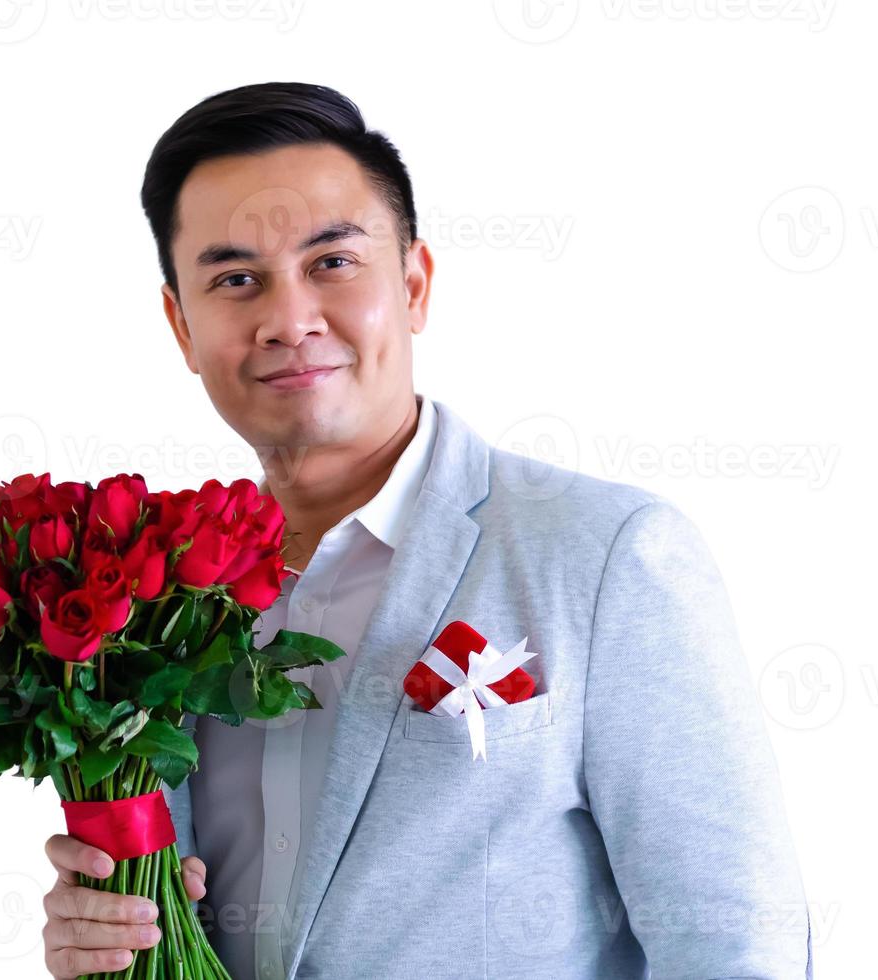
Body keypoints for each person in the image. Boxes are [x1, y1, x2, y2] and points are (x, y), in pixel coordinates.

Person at [43, 81, 813, 980]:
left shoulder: (608, 555)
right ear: (181, 324)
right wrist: (106, 936)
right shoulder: (152, 602)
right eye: (236, 280)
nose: (289, 321)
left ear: (413, 285)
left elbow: (731, 942)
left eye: (331, 263)